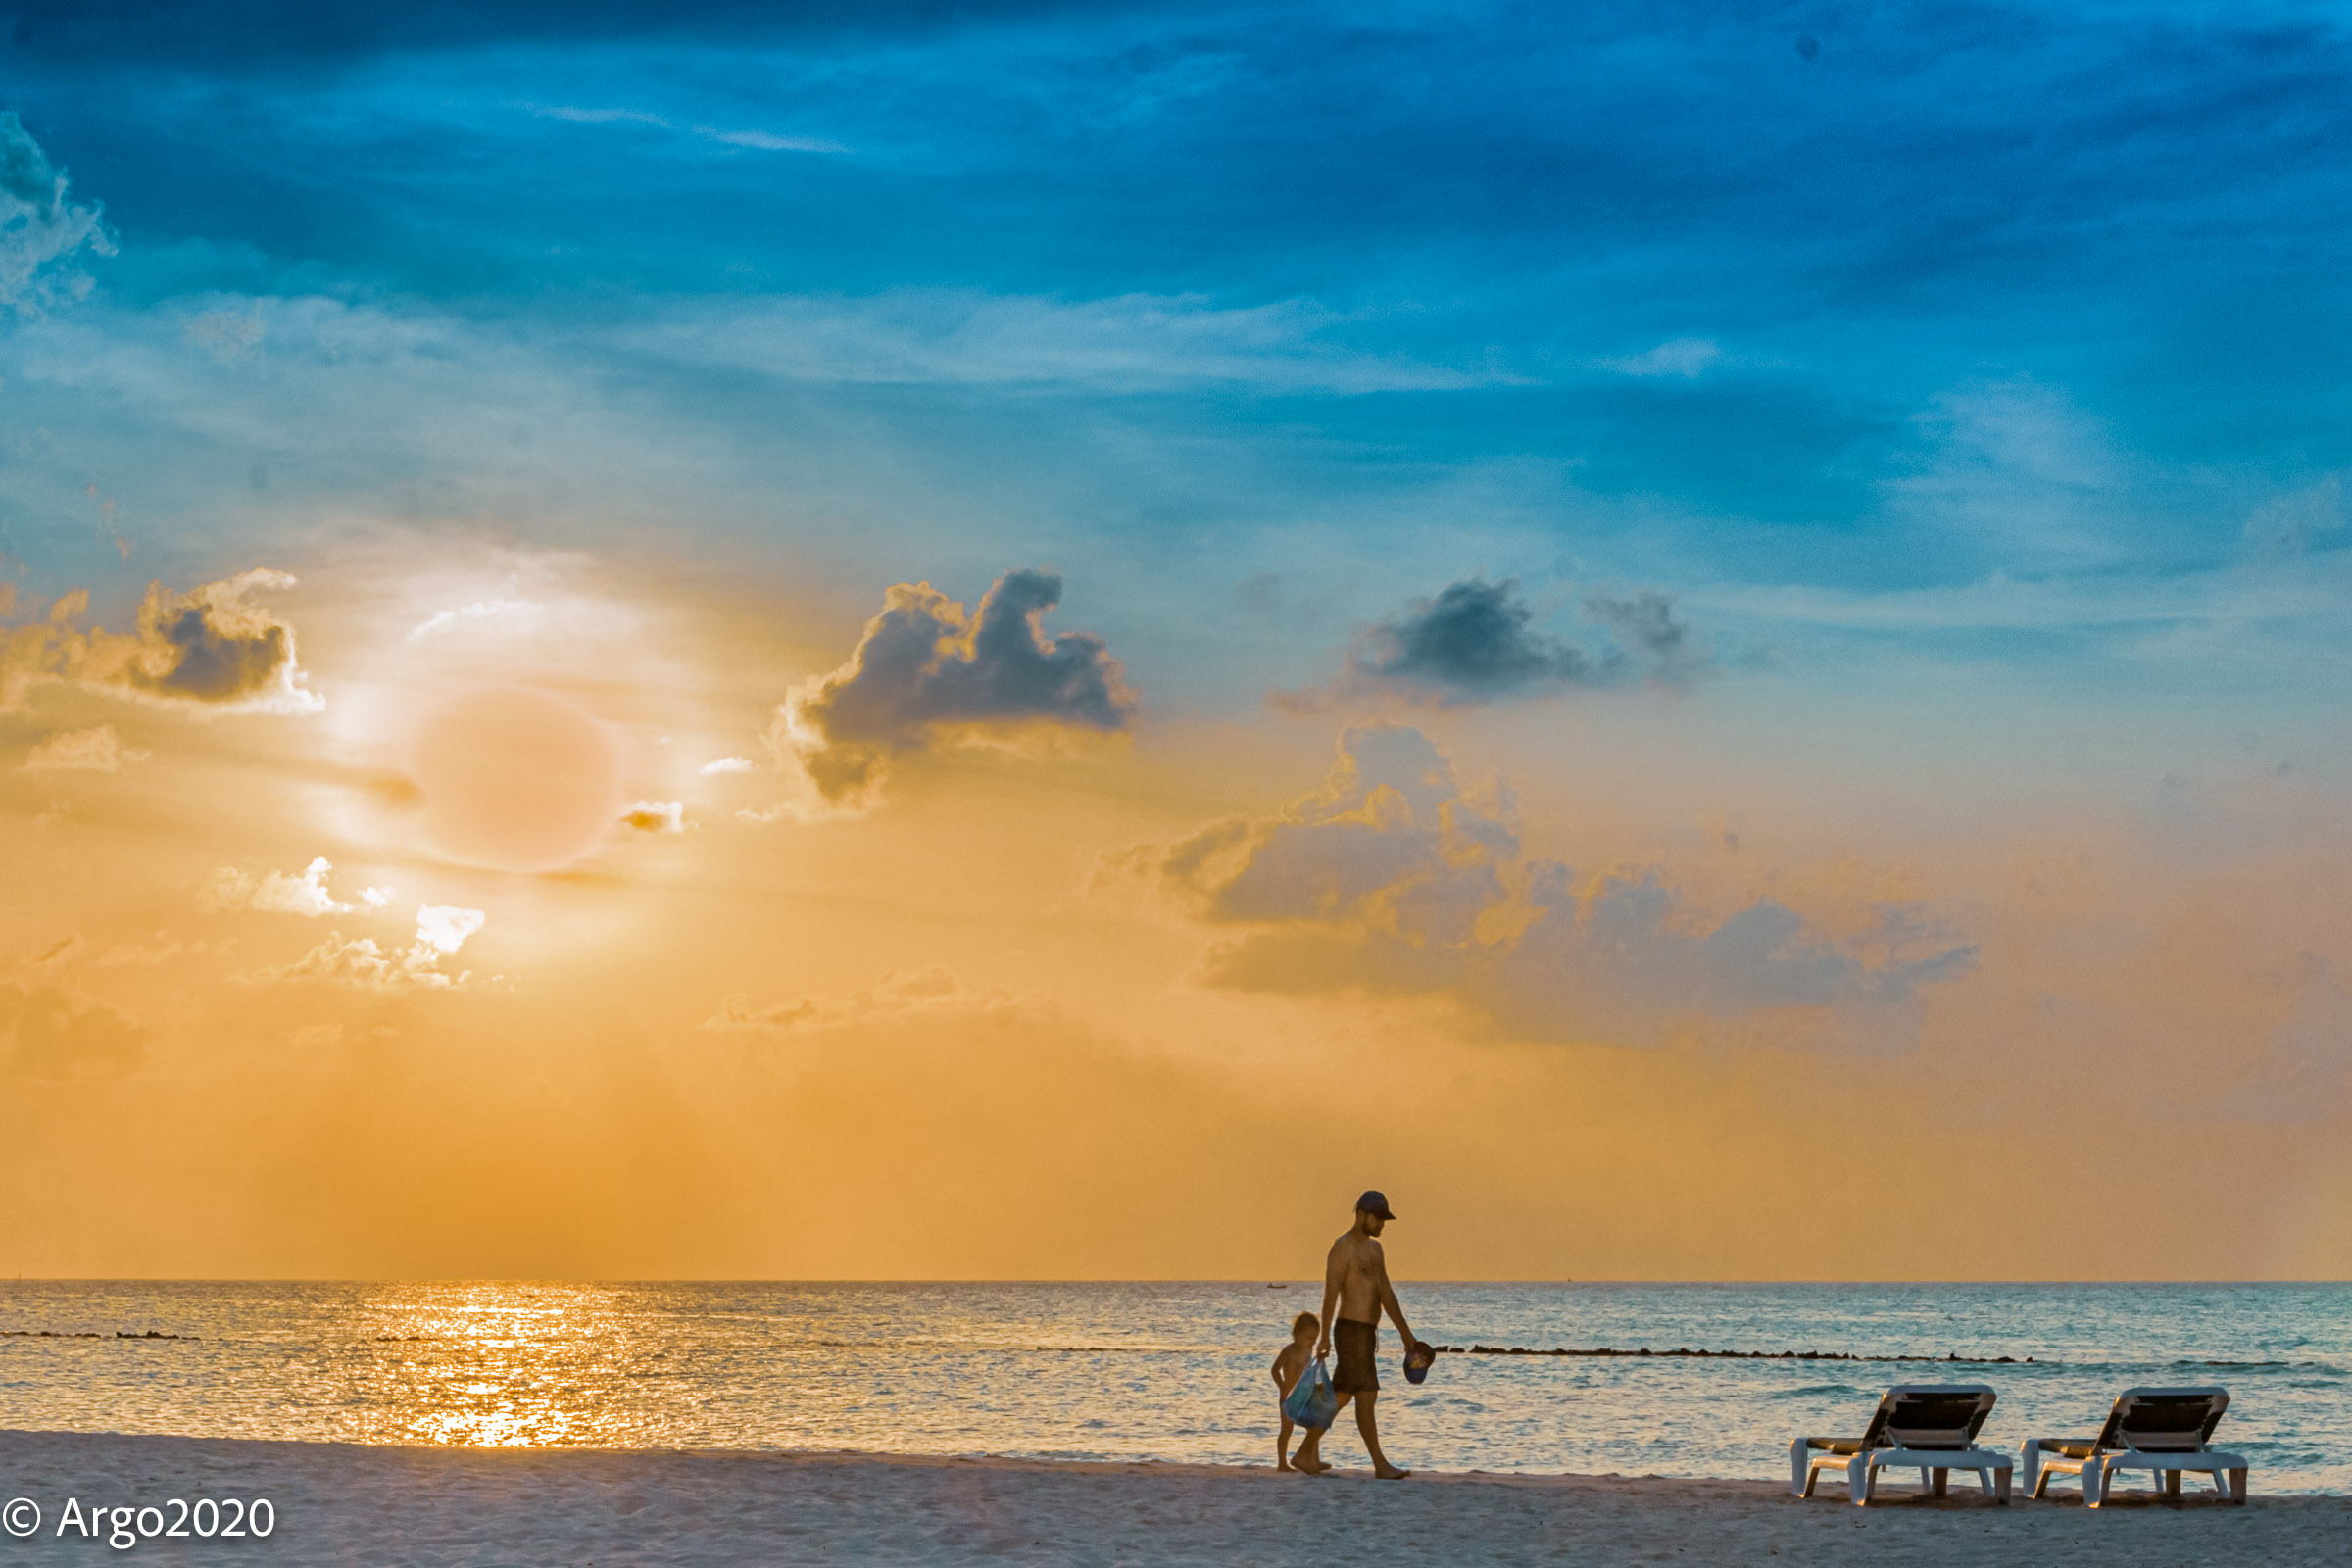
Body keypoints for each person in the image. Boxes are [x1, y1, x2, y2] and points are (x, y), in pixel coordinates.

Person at [1292, 1190, 1422, 1480]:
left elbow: (1386, 1294)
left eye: (1384, 1220)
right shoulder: (1342, 1248)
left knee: (1341, 1394)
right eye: (1379, 1219)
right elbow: (1330, 1295)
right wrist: (1324, 1337)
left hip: (1367, 1333)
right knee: (1367, 1395)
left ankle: (1305, 1452)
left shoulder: (1376, 1250)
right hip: (1349, 1331)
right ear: (1362, 1215)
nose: (1382, 1225)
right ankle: (1380, 1464)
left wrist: (1405, 1334)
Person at [1269, 1310, 1320, 1470]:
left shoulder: (1308, 1351)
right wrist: (1282, 1385)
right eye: (1309, 1338)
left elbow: (1308, 1370)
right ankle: (1282, 1463)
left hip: (1303, 1395)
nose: (1312, 1342)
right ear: (1297, 1334)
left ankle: (1313, 1459)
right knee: (1286, 1429)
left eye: (1315, 1339)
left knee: (1314, 1427)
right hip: (1288, 1397)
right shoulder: (1289, 1350)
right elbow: (1274, 1369)